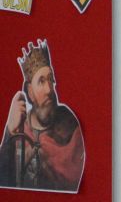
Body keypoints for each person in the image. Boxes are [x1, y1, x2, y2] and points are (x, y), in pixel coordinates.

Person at [0, 39, 85, 192]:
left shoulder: (70, 125)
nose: (49, 89)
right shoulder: (20, 128)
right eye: (41, 81)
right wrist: (9, 131)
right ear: (30, 91)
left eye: (51, 80)